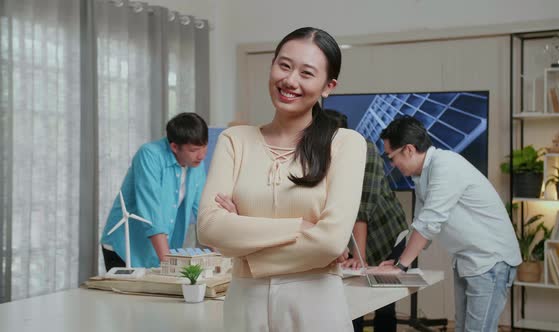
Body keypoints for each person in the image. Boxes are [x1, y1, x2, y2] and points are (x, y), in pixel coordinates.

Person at [197, 27, 366, 332]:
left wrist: (241, 244)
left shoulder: (346, 144)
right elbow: (209, 227)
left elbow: (331, 242)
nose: (290, 80)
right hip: (244, 307)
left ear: (328, 86)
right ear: (272, 65)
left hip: (316, 306)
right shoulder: (235, 140)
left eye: (306, 73)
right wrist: (300, 227)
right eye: (284, 65)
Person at [374, 116, 522, 332]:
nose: (392, 164)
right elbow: (419, 225)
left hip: (491, 261)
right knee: (462, 328)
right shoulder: (422, 175)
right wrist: (396, 260)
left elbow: (428, 224)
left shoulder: (445, 165)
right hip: (468, 261)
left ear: (408, 149)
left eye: (391, 157)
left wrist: (401, 267)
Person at [325, 109, 409, 332]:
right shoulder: (323, 155)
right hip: (351, 236)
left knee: (382, 304)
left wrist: (358, 256)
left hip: (385, 234)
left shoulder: (365, 150)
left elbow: (363, 206)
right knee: (351, 302)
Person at [100, 112, 208, 270]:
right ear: (174, 147)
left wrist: (223, 258)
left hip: (158, 251)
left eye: (204, 147)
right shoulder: (150, 155)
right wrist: (169, 265)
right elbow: (152, 213)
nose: (202, 155)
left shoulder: (196, 164)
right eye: (193, 150)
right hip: (126, 248)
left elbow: (203, 211)